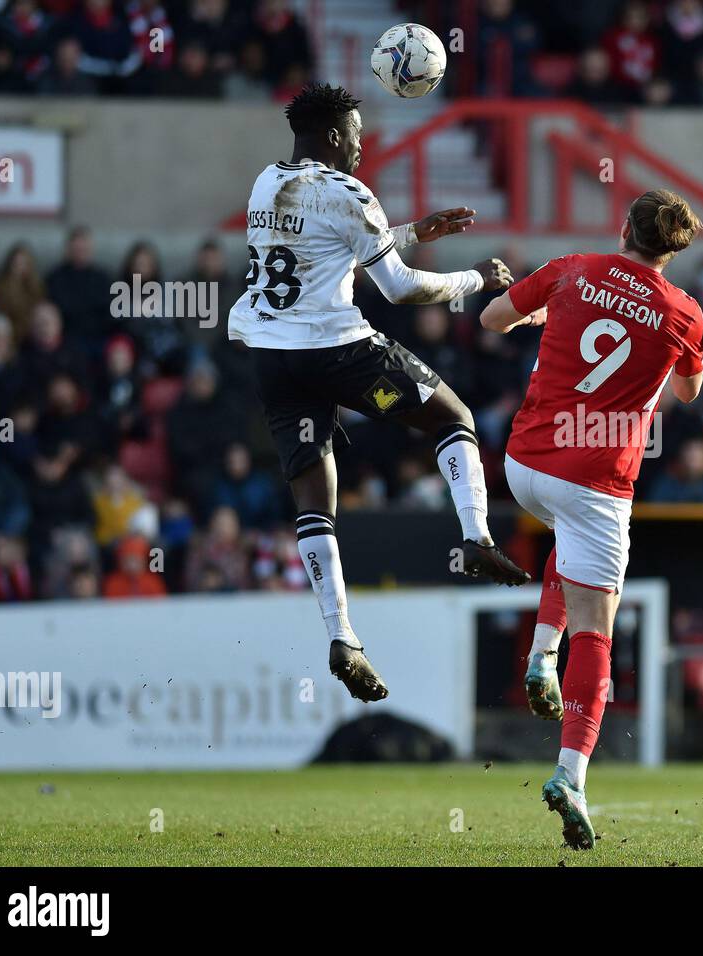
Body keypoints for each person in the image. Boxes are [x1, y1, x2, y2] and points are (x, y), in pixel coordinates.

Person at [226, 84, 530, 704]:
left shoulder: (266, 183)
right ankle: (476, 538)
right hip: (339, 355)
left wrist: (413, 230)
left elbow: (323, 249)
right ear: (336, 135)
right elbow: (400, 290)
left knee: (315, 498)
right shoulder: (346, 191)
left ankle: (342, 635)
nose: (364, 145)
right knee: (453, 417)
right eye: (358, 133)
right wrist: (480, 278)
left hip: (272, 357)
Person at [479, 188, 703, 850]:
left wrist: (541, 312)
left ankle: (540, 658)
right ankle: (571, 775)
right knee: (598, 634)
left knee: (563, 540)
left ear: (623, 228)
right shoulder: (685, 313)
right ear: (674, 247)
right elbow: (687, 391)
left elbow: (494, 319)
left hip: (524, 465)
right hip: (597, 483)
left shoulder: (573, 268)